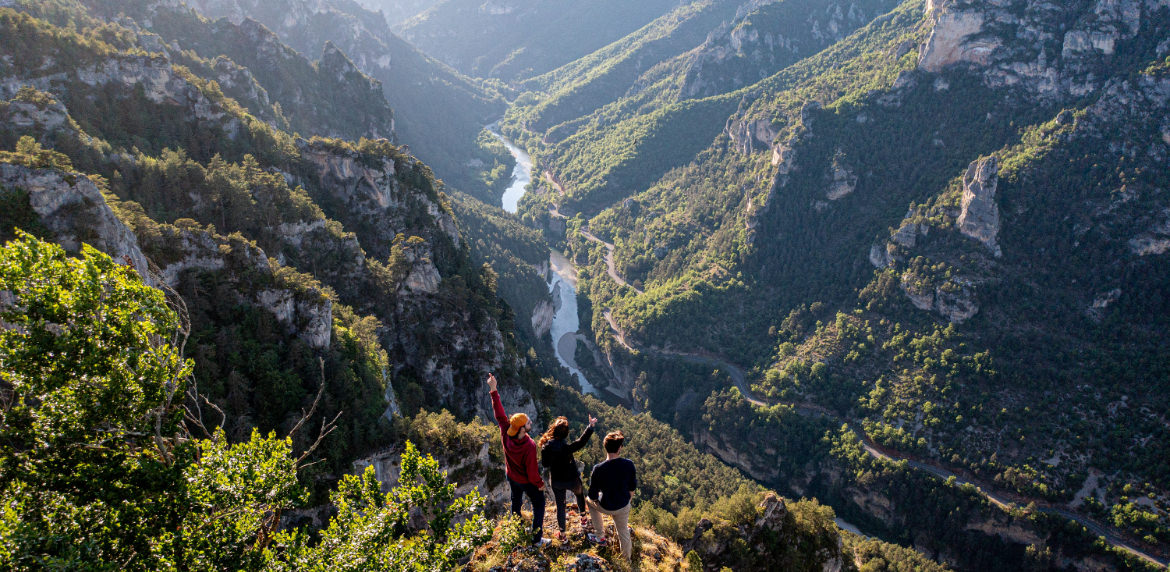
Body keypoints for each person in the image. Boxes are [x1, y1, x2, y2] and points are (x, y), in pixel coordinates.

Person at [487, 373, 547, 544]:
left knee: (516, 500)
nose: (530, 423)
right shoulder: (529, 446)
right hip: (525, 480)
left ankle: (516, 527)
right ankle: (536, 539)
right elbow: (532, 473)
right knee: (539, 504)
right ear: (521, 429)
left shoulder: (507, 430)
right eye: (528, 423)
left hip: (511, 476)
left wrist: (493, 389)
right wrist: (540, 484)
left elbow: (499, 413)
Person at [538, 414, 597, 540]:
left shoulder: (546, 447)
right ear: (566, 434)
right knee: (579, 494)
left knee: (560, 506)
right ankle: (583, 518)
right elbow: (581, 442)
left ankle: (563, 535)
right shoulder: (567, 448)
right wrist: (590, 427)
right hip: (572, 479)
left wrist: (546, 452)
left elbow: (545, 464)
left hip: (557, 481)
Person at [586, 430, 637, 560]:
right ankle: (627, 560)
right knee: (623, 532)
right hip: (623, 505)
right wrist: (628, 500)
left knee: (588, 501)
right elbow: (632, 487)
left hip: (606, 506)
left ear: (605, 447)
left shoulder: (598, 469)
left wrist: (599, 496)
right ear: (619, 448)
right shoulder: (629, 464)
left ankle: (600, 536)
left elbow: (592, 495)